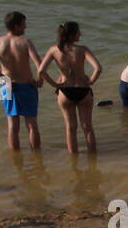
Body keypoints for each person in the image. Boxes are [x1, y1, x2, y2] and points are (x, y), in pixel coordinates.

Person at [37, 22, 101, 153]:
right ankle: (92, 160)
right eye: (78, 32)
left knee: (70, 128)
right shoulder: (82, 49)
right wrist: (91, 81)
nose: (80, 34)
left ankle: (74, 162)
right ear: (72, 34)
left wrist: (55, 85)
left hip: (65, 91)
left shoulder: (54, 50)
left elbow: (41, 71)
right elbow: (98, 68)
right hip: (83, 90)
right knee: (87, 127)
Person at [0, 11, 43, 151]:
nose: (25, 28)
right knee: (31, 124)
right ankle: (37, 158)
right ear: (16, 26)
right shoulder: (25, 42)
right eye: (23, 25)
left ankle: (16, 159)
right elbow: (39, 64)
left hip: (8, 87)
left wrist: (5, 80)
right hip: (26, 86)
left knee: (12, 124)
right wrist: (40, 81)